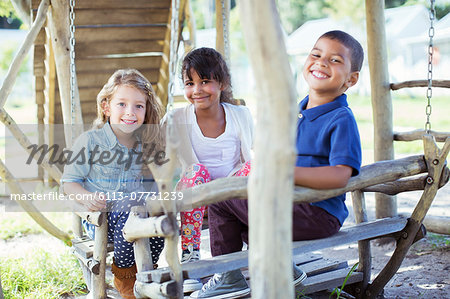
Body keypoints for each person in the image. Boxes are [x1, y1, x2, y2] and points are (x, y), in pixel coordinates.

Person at [190, 30, 363, 299]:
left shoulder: (341, 119)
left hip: (317, 212)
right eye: (316, 54)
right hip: (291, 206)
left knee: (221, 197)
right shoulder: (299, 111)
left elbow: (341, 176)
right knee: (241, 220)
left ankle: (228, 277)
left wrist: (285, 173)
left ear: (351, 79)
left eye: (335, 60)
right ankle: (283, 269)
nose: (321, 62)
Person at [61, 69, 165, 299]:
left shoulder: (146, 144)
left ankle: (148, 270)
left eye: (139, 106)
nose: (130, 112)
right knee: (130, 203)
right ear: (106, 107)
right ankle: (126, 277)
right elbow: (69, 183)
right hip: (102, 219)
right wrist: (86, 197)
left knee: (159, 206)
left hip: (139, 216)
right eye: (122, 104)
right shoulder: (90, 141)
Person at [166, 47, 254, 293]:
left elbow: (253, 154)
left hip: (230, 193)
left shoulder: (240, 115)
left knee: (256, 166)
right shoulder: (178, 118)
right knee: (196, 171)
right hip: (195, 193)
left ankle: (261, 247)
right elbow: (168, 164)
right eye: (189, 83)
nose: (197, 90)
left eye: (205, 81)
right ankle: (191, 258)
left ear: (223, 83)